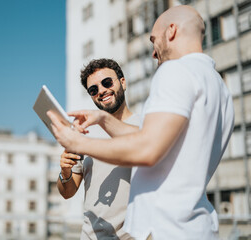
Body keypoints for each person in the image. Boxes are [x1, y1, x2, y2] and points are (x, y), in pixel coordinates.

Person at [49, 5, 234, 240]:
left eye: (153, 40)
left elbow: (147, 148)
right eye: (93, 89)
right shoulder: (219, 86)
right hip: (195, 226)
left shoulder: (174, 71)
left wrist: (76, 142)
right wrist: (103, 121)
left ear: (171, 32)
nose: (154, 53)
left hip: (169, 229)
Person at [57, 58, 140, 239]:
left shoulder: (145, 127)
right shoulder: (84, 131)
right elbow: (67, 192)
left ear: (123, 83)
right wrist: (65, 172)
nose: (101, 91)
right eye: (93, 90)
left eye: (107, 82)